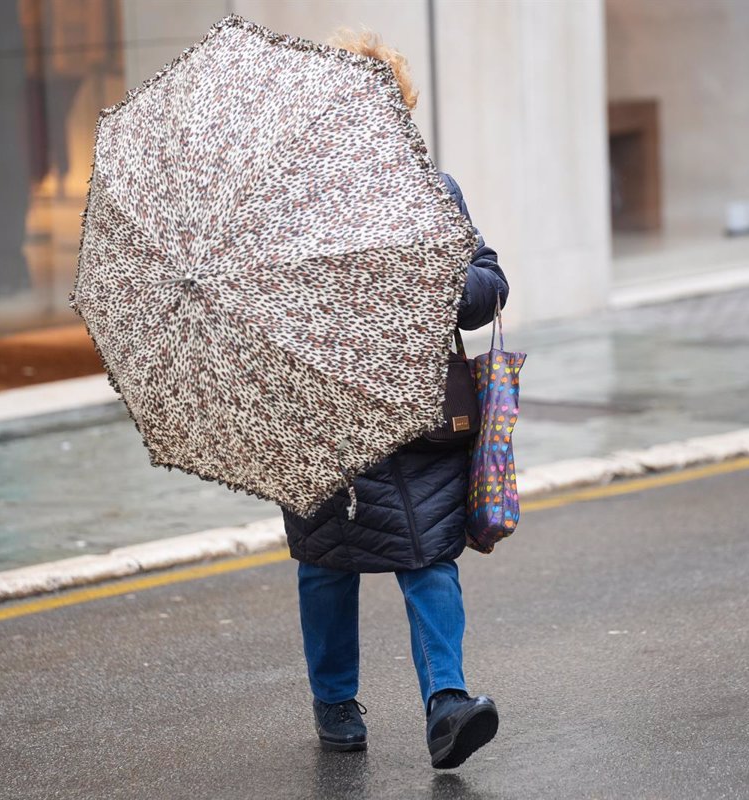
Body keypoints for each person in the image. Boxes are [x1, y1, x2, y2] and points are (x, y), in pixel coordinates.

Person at [280, 30, 508, 769]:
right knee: (326, 562)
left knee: (430, 555)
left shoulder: (433, 193)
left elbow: (489, 282)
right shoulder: (295, 209)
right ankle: (335, 700)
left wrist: (438, 278)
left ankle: (448, 705)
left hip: (421, 416)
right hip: (328, 417)